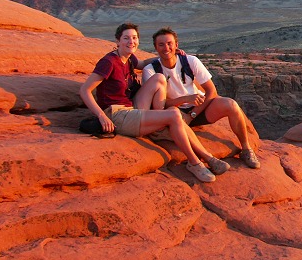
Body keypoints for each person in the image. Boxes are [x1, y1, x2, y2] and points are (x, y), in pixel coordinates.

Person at [79, 23, 231, 182]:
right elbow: (85, 90)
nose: (131, 41)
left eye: (134, 38)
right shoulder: (109, 62)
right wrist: (102, 115)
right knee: (173, 114)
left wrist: (173, 54)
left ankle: (204, 154)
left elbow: (144, 64)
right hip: (117, 114)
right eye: (126, 38)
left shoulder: (129, 58)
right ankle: (195, 162)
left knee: (159, 78)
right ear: (117, 41)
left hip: (132, 107)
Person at [141, 26, 260, 169]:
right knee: (172, 110)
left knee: (231, 105)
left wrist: (192, 114)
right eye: (161, 44)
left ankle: (246, 149)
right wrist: (185, 99)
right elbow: (159, 105)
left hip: (199, 107)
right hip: (176, 112)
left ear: (176, 45)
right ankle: (204, 160)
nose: (166, 48)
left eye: (169, 43)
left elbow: (211, 91)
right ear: (155, 47)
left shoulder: (190, 61)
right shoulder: (151, 70)